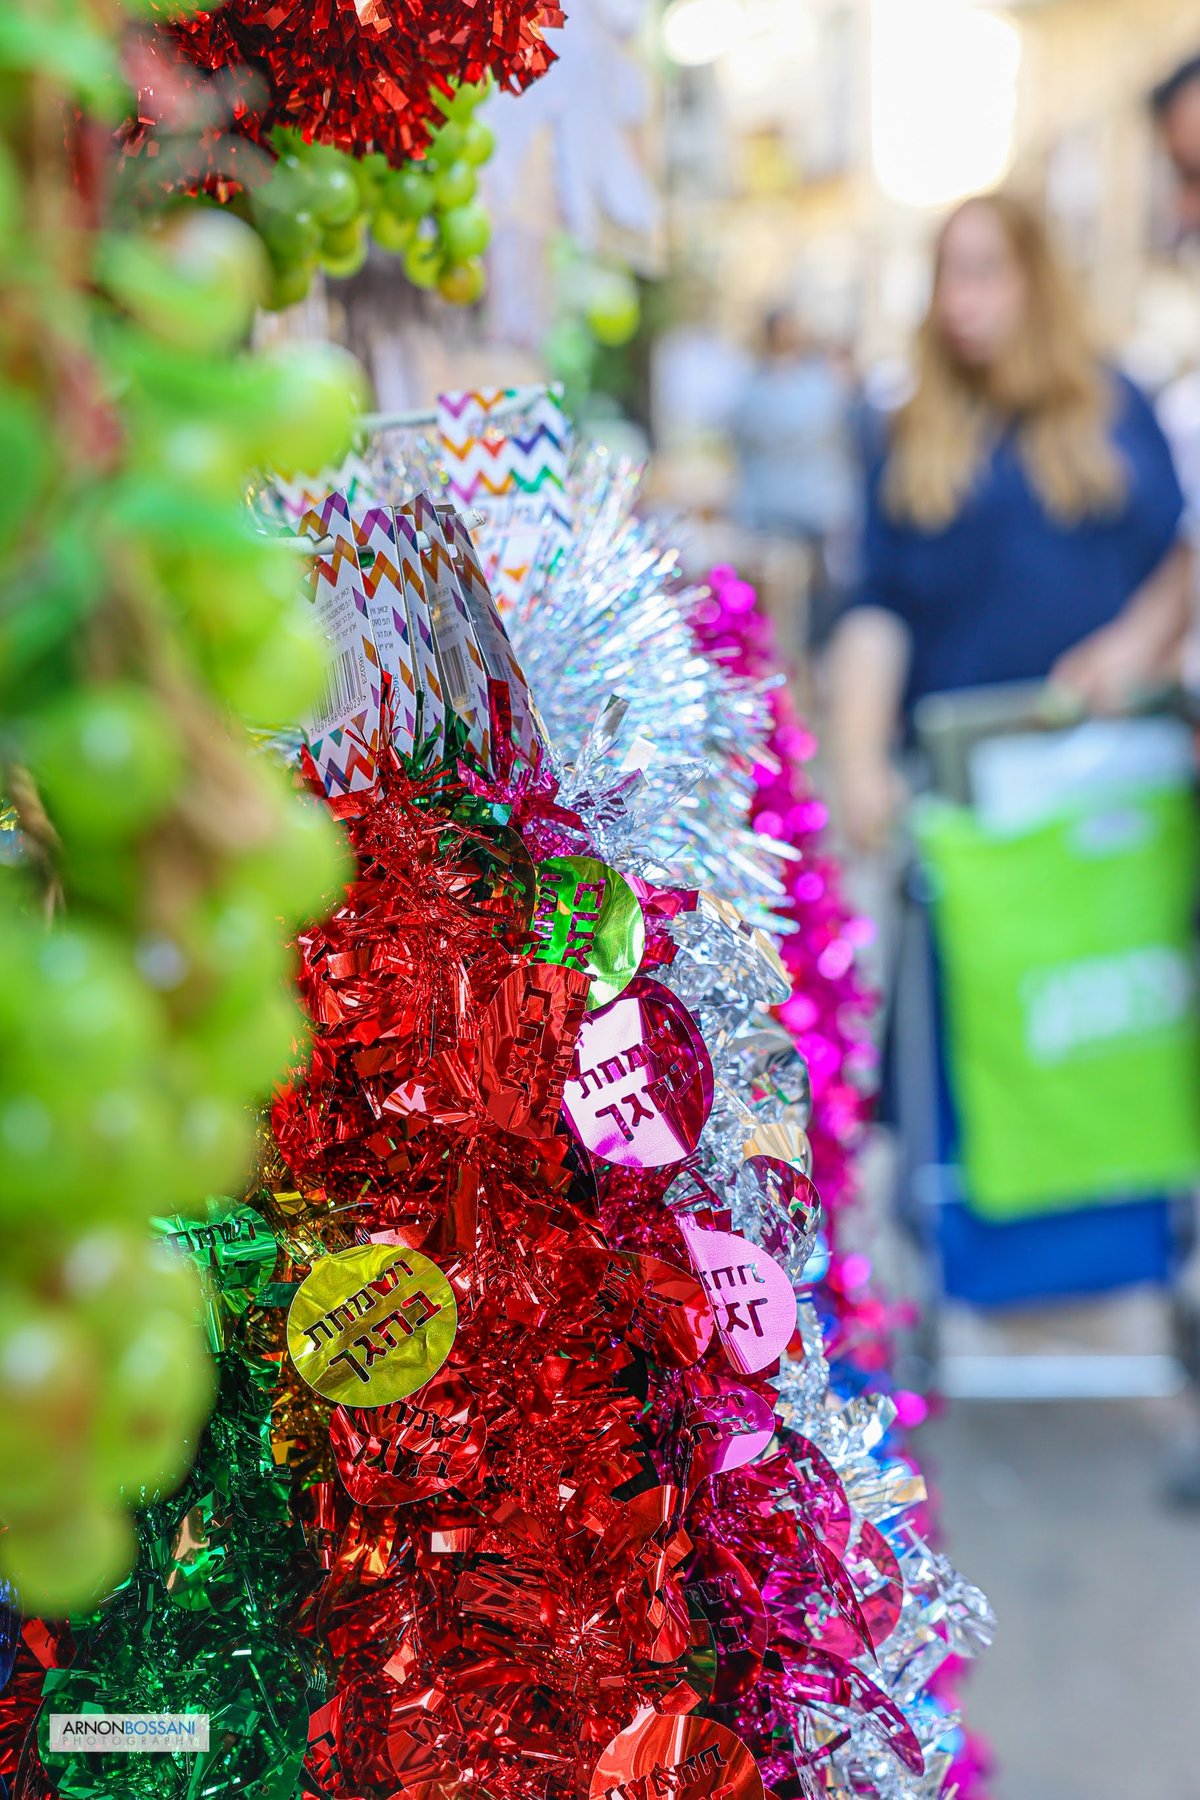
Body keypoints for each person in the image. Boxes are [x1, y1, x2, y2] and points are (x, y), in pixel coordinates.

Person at [827, 191, 1190, 852]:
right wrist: (860, 762)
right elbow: (878, 607)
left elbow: (1180, 558)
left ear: (1036, 278)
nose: (959, 302)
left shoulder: (1116, 405)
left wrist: (1134, 645)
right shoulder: (909, 430)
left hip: (1109, 774)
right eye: (948, 276)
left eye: (985, 272)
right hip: (968, 784)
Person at [727, 306, 859, 652]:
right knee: (789, 621)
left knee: (807, 616)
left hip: (808, 515)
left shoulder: (805, 386)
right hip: (780, 518)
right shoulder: (767, 389)